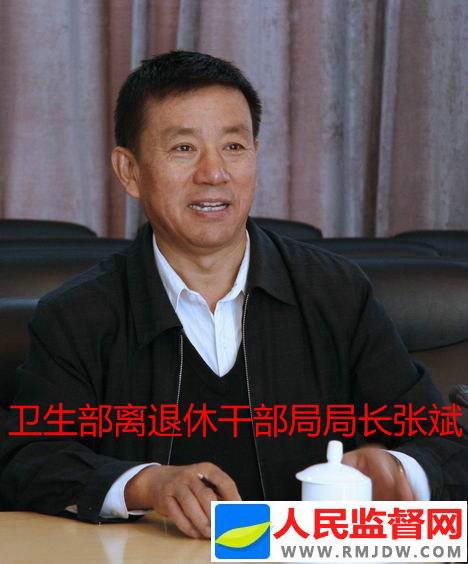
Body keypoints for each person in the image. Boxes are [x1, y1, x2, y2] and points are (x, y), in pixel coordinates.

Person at [0, 51, 466, 540]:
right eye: (184, 148)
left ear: (255, 156)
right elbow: (29, 459)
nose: (214, 173)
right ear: (129, 170)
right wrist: (144, 484)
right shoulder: (78, 313)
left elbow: (445, 441)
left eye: (234, 147)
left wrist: (402, 471)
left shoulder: (335, 293)